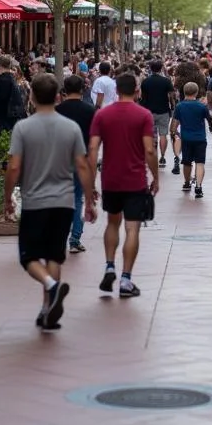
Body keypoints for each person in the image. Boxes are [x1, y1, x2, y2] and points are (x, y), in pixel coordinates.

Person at [4, 74, 96, 330]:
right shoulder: (71, 128)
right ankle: (47, 309)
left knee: (28, 257)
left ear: (31, 97)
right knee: (54, 255)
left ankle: (52, 288)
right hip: (64, 201)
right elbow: (82, 164)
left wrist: (7, 198)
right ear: (58, 97)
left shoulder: (23, 127)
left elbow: (13, 167)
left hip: (35, 201)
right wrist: (89, 198)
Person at [88, 72, 157, 299]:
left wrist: (90, 183)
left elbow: (93, 149)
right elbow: (149, 149)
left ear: (116, 90)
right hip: (135, 179)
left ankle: (109, 266)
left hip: (110, 178)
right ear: (137, 91)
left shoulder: (102, 115)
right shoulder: (144, 115)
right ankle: (126, 279)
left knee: (112, 223)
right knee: (132, 228)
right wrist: (155, 175)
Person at [56, 74, 96, 254]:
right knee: (78, 199)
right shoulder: (90, 110)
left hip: (60, 159)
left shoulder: (57, 111)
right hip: (83, 158)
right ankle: (74, 239)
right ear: (82, 89)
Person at [171, 82, 211, 198]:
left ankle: (187, 183)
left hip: (186, 138)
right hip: (200, 138)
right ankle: (198, 186)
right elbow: (209, 119)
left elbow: (175, 123)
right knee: (200, 162)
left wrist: (174, 133)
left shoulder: (180, 106)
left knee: (187, 162)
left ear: (184, 92)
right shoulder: (201, 106)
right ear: (196, 92)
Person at [140, 59, 176, 173]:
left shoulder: (145, 81)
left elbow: (142, 96)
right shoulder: (166, 81)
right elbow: (171, 95)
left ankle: (153, 153)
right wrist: (173, 105)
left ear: (150, 68)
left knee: (150, 134)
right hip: (163, 110)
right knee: (163, 134)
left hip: (149, 111)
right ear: (161, 68)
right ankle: (163, 157)